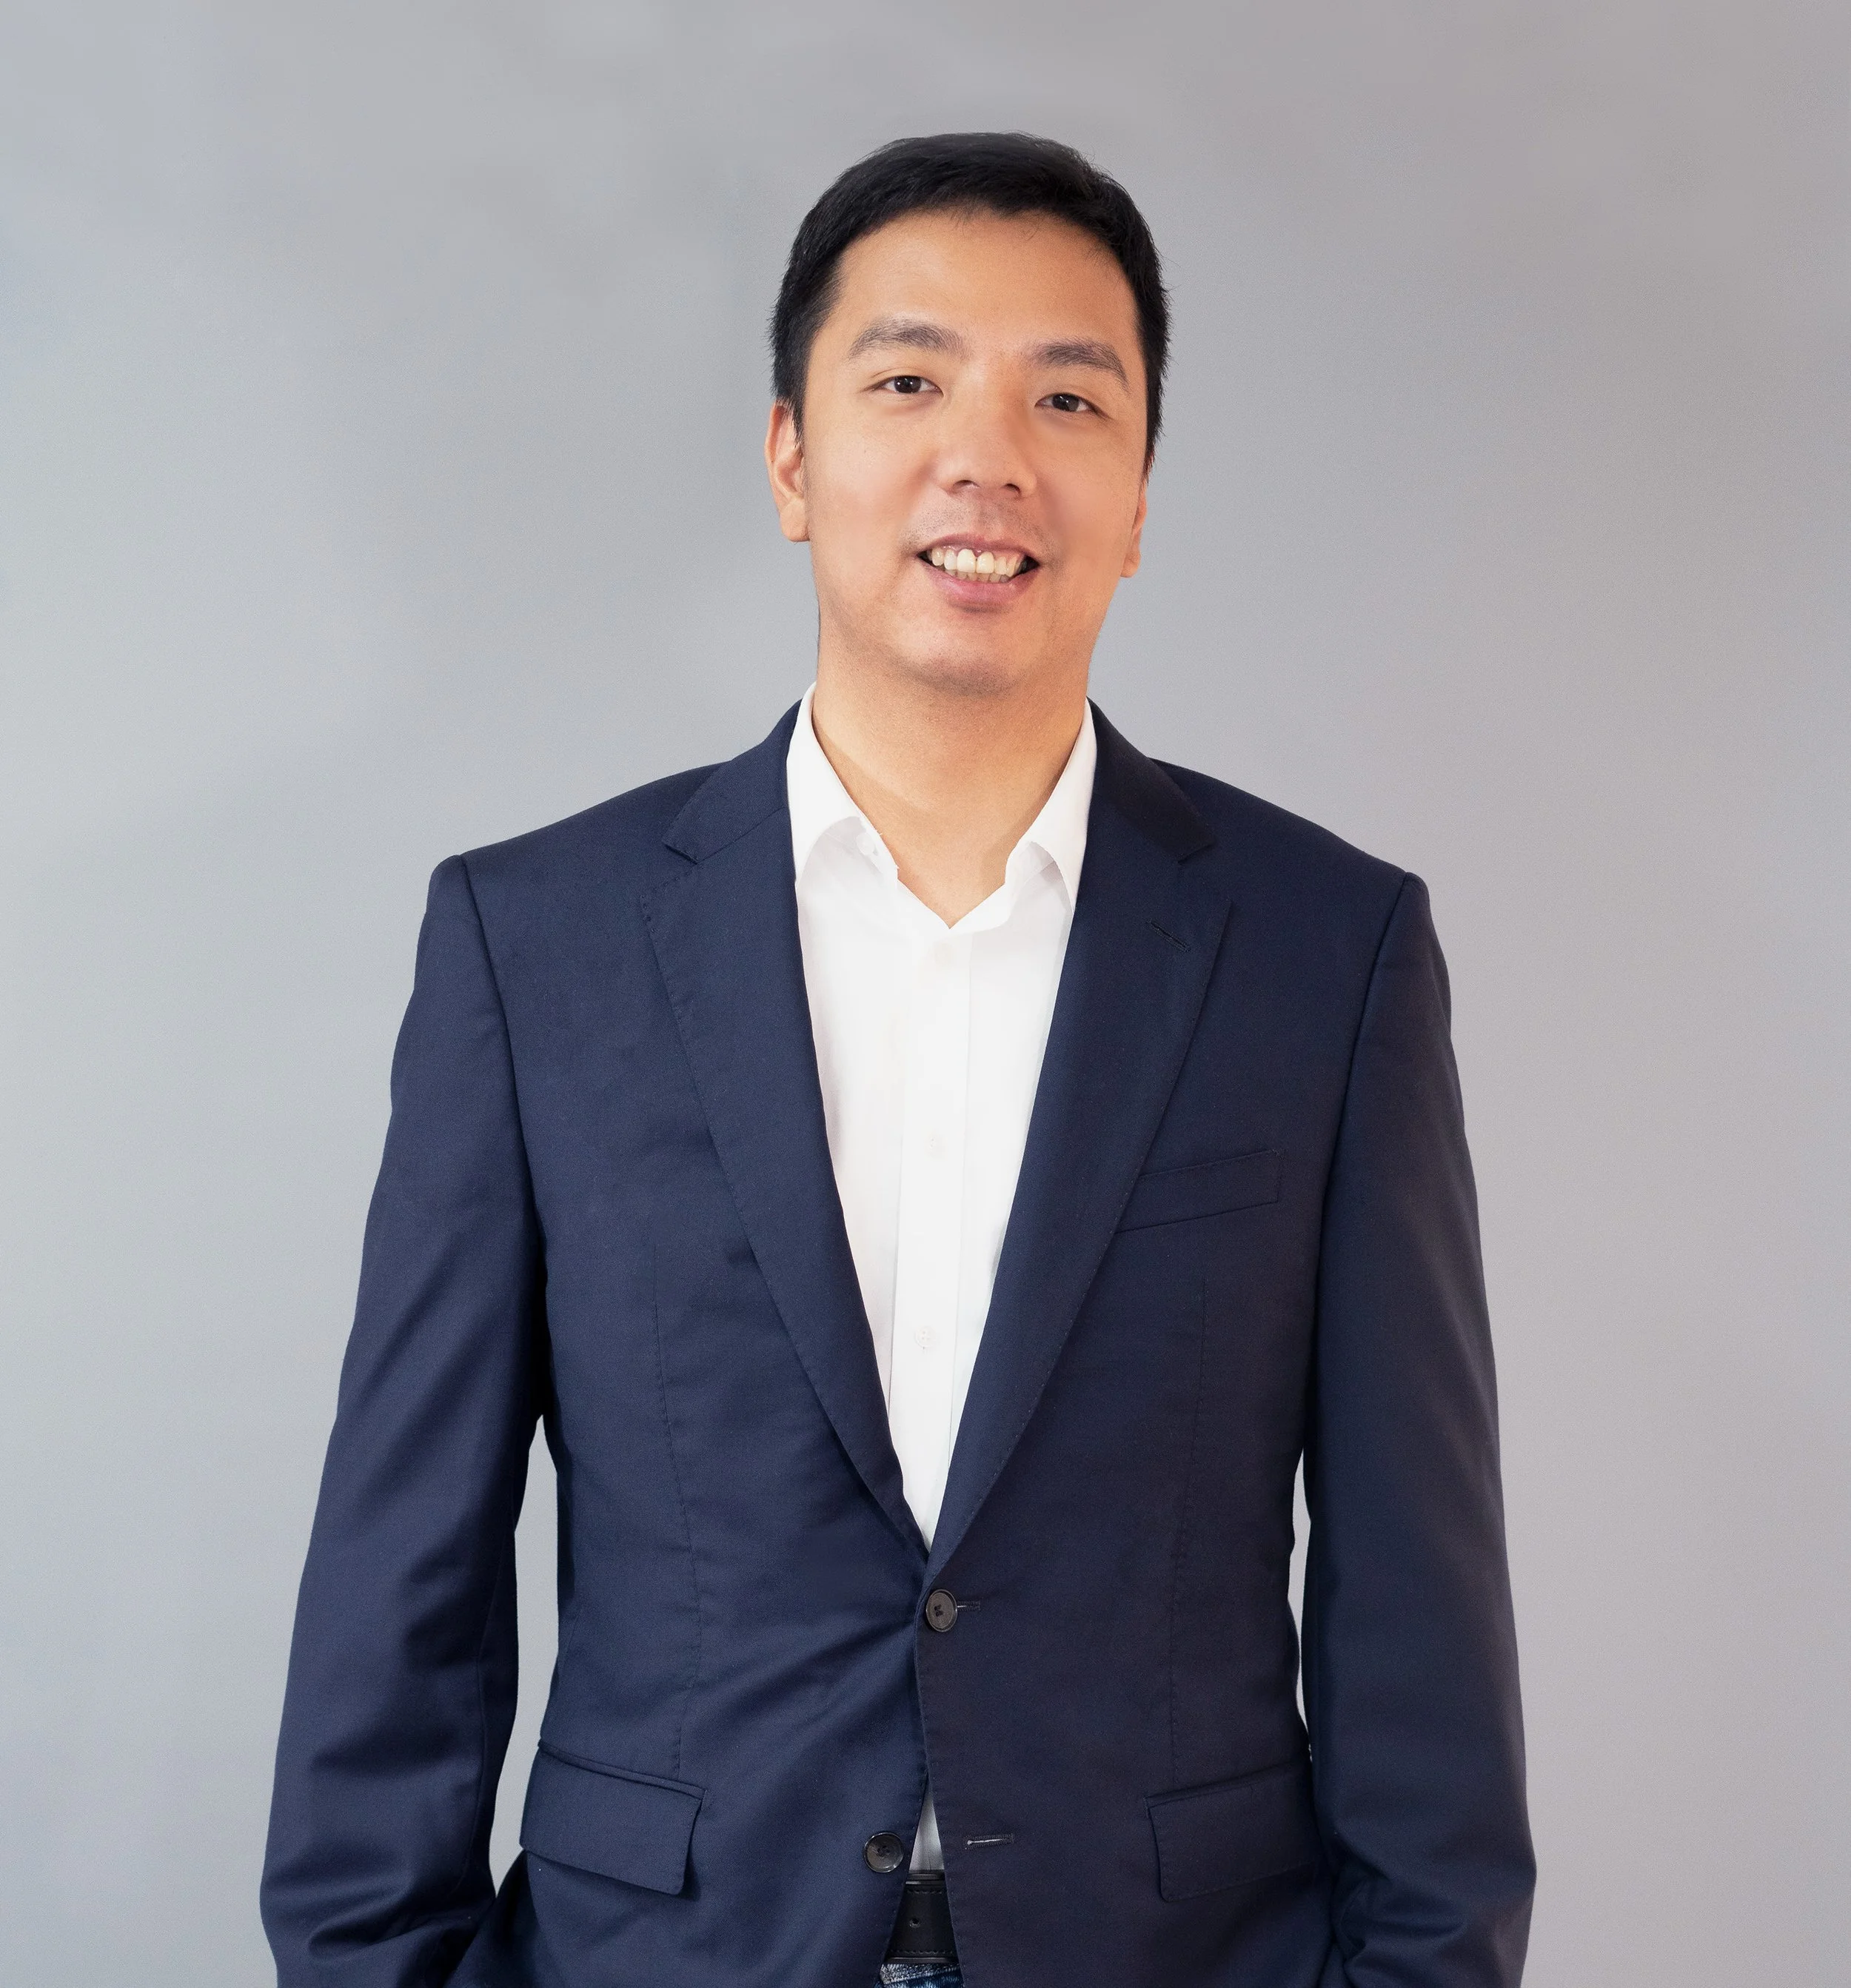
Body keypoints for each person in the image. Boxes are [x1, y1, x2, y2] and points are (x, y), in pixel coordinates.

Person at [261, 132, 1534, 1988]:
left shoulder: (1320, 952)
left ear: (1140, 482)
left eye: (1068, 395)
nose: (986, 454)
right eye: (908, 378)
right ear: (792, 456)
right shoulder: (536, 945)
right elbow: (401, 1586)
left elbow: (1417, 1604)